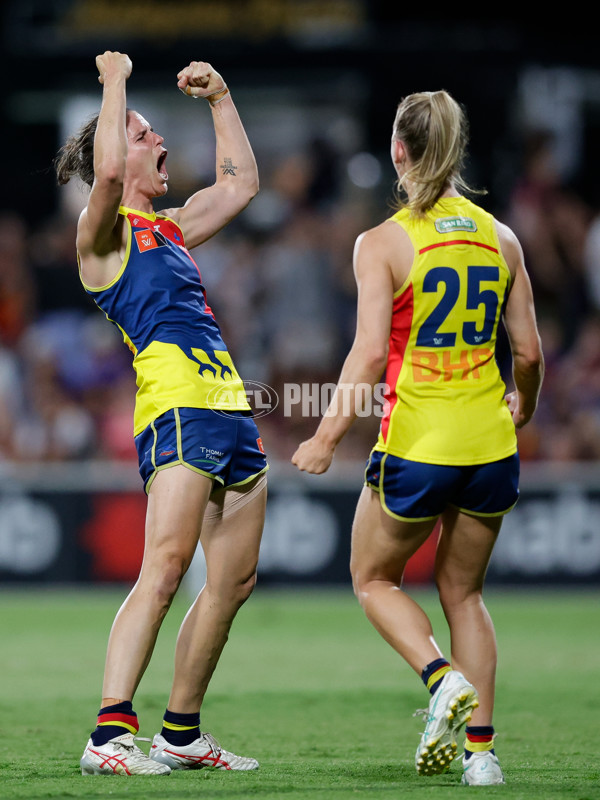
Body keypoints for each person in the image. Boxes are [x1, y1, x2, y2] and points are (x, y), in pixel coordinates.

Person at [292, 90, 543, 786]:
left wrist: (325, 434)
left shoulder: (383, 243)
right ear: (456, 152)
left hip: (418, 443)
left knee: (372, 578)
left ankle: (439, 678)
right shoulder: (503, 238)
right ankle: (483, 759)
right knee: (465, 595)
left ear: (398, 151)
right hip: (491, 445)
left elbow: (370, 353)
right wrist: (524, 404)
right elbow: (528, 352)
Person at [55, 51, 268, 777]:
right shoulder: (102, 238)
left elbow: (242, 186)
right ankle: (108, 736)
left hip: (229, 406)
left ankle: (180, 733)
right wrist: (114, 83)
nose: (153, 143)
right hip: (177, 408)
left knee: (234, 581)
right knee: (167, 567)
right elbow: (109, 172)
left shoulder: (171, 226)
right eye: (143, 135)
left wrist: (222, 99)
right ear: (116, 152)